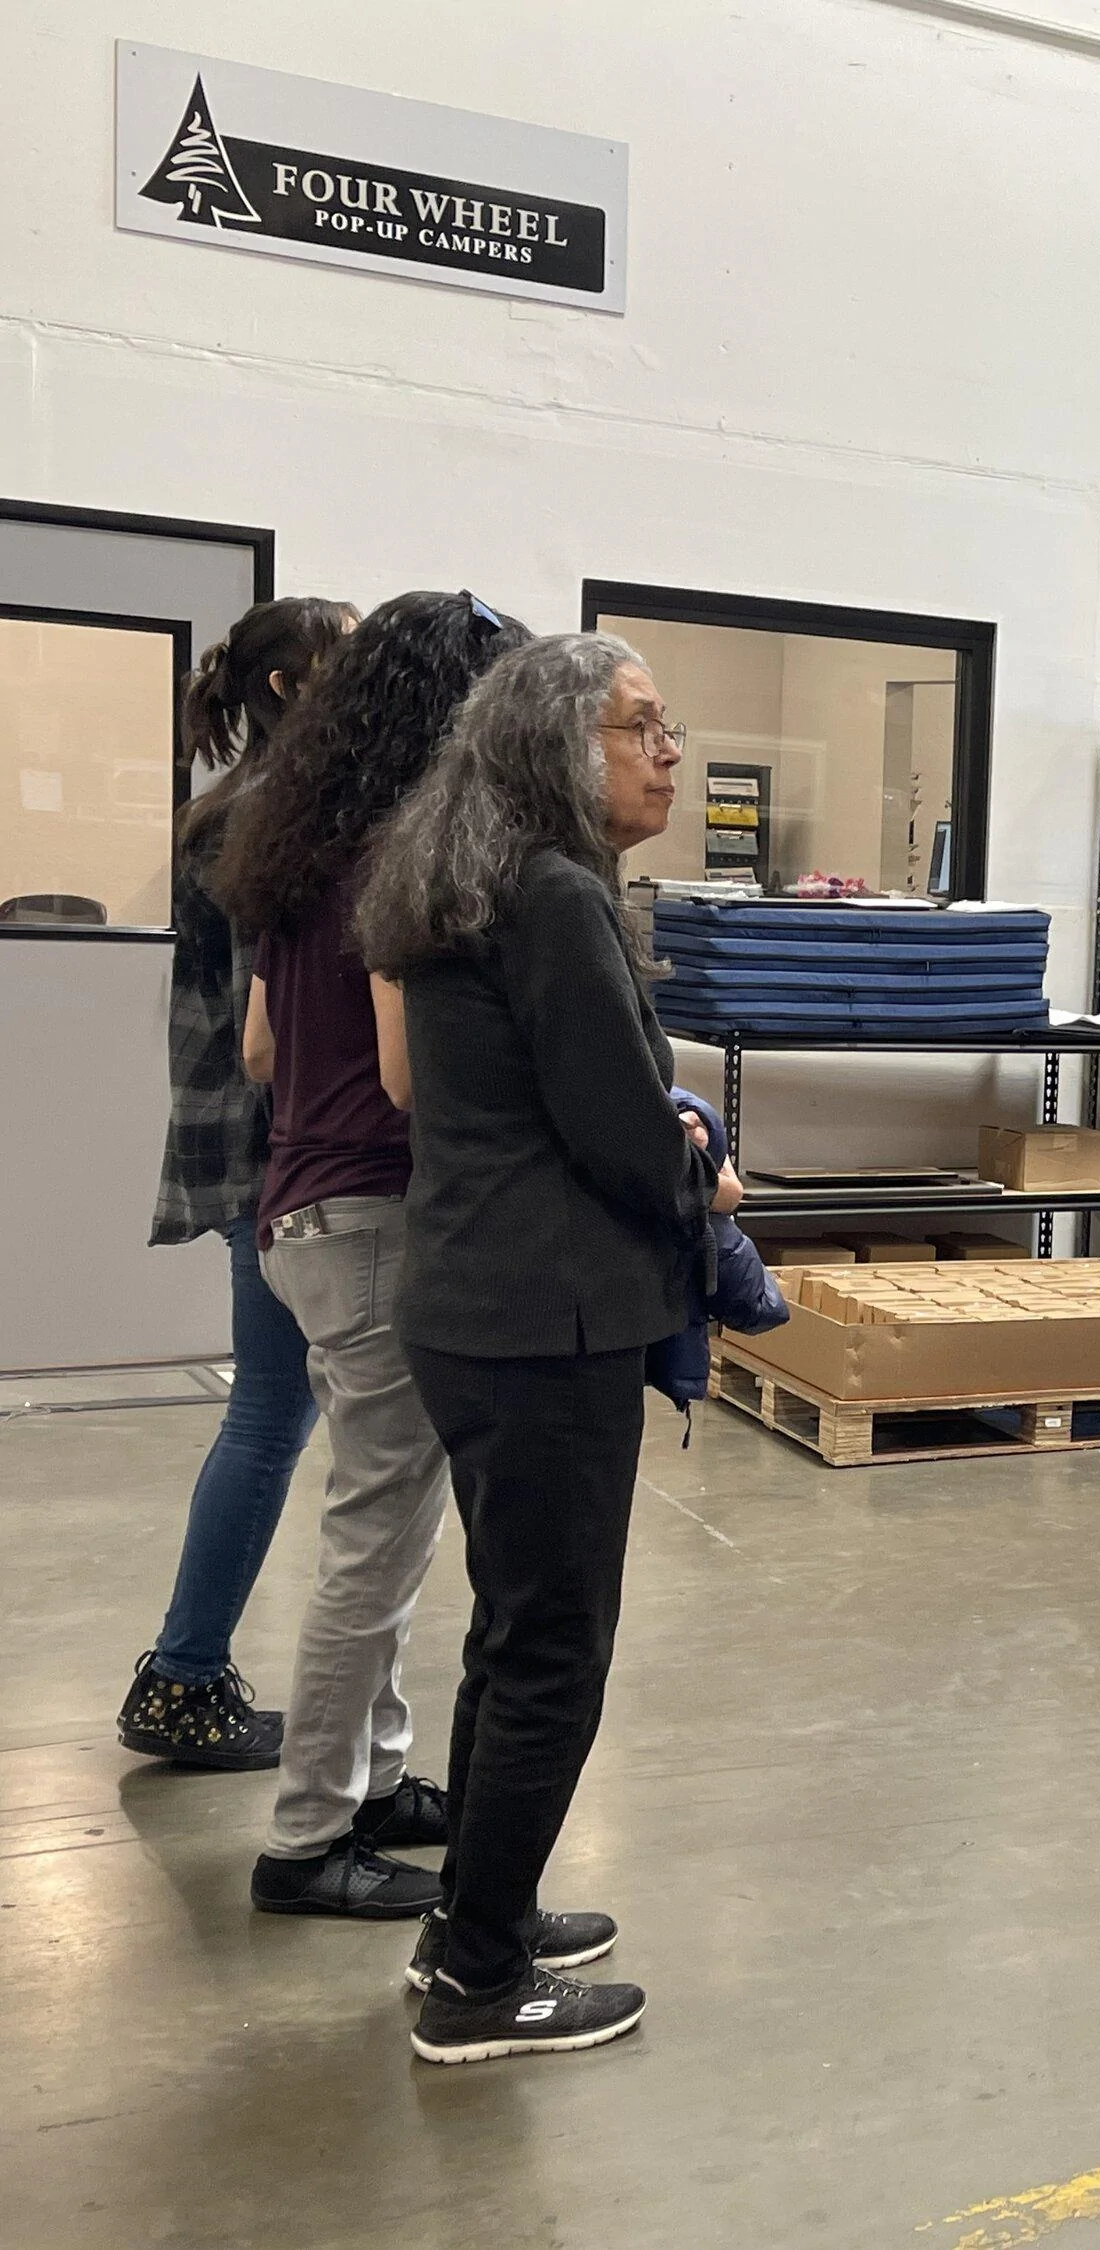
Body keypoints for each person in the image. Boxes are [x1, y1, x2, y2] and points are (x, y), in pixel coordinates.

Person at [356, 633, 741, 2064]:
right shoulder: (556, 893)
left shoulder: (466, 874)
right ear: (553, 742)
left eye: (667, 725)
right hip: (547, 1318)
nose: (669, 750)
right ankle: (477, 1982)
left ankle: (475, 1914)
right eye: (640, 725)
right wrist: (696, 1166)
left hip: (476, 1306)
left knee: (513, 1632)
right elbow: (615, 1123)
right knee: (554, 1651)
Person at [216, 589, 532, 1918]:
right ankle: (304, 1837)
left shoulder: (300, 837)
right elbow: (411, 1077)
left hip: (299, 1202)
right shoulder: (404, 848)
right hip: (371, 1218)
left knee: (384, 1517)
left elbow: (260, 1050)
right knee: (377, 1539)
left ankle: (375, 1776)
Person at [119, 597, 357, 1769]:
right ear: (283, 688)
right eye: (342, 662)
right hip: (275, 1153)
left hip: (259, 1149)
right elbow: (279, 1032)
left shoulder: (231, 809)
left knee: (272, 1412)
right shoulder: (271, 821)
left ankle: (184, 1669)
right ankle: (184, 1676)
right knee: (271, 1415)